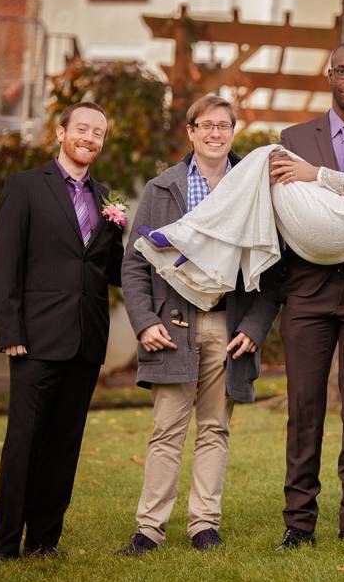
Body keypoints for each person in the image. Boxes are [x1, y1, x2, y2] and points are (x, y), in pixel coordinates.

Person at [136, 77, 344, 549]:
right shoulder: (296, 136)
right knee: (304, 412)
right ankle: (299, 524)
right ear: (333, 75)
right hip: (308, 289)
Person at [116, 96, 282, 556]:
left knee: (214, 428)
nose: (214, 134)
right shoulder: (161, 188)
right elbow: (134, 265)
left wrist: (255, 325)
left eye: (223, 126)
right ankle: (149, 529)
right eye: (205, 126)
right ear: (190, 131)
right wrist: (144, 322)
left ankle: (204, 524)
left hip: (228, 328)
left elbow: (273, 268)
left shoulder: (252, 187)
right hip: (172, 328)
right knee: (167, 429)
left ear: (233, 132)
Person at [0, 102, 124, 563]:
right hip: (36, 339)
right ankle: (4, 547)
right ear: (61, 132)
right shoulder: (25, 186)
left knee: (65, 444)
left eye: (98, 133)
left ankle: (44, 541)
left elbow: (113, 269)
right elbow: (5, 262)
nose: (90, 137)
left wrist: (163, 251)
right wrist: (10, 329)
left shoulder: (106, 199)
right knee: (24, 443)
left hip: (86, 341)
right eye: (82, 128)